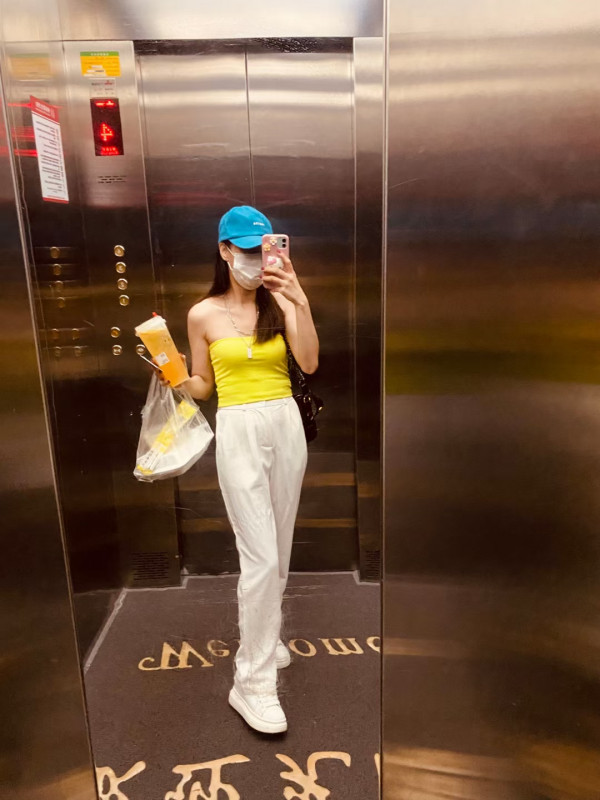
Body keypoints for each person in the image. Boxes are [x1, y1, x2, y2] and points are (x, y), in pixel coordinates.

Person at [180, 206, 319, 734]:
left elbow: (309, 362)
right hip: (238, 428)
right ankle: (251, 682)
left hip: (285, 423)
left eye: (263, 251)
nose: (256, 262)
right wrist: (173, 374)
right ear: (224, 251)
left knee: (278, 547)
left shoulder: (279, 300)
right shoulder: (202, 314)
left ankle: (267, 634)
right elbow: (202, 386)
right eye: (245, 252)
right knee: (259, 557)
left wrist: (298, 299)